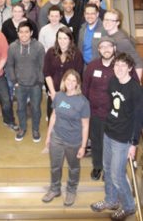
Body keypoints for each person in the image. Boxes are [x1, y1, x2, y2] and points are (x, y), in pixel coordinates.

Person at [90, 53, 142, 221]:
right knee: (107, 169)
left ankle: (128, 206)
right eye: (116, 65)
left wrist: (133, 143)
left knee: (117, 175)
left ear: (129, 68)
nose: (119, 69)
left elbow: (138, 117)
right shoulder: (112, 81)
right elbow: (114, 107)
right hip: (109, 132)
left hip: (123, 138)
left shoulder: (135, 89)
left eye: (122, 66)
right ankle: (111, 200)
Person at [42, 70, 90, 207]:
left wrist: (83, 146)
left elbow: (85, 126)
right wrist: (48, 137)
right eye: (68, 80)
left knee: (73, 168)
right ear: (64, 81)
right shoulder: (58, 96)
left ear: (78, 84)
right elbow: (53, 116)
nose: (70, 83)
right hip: (57, 137)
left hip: (73, 141)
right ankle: (55, 189)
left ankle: (71, 190)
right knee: (55, 166)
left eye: (73, 81)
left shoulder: (82, 102)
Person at [83, 37, 117, 181]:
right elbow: (85, 88)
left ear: (114, 48)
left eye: (109, 46)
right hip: (95, 113)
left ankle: (109, 169)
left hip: (114, 114)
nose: (106, 49)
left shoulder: (121, 65)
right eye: (102, 47)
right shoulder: (92, 66)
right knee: (96, 141)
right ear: (98, 50)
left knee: (112, 143)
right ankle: (97, 166)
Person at [7, 21, 45, 142]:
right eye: (21, 32)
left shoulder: (38, 47)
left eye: (26, 32)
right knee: (20, 108)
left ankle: (35, 129)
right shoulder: (12, 47)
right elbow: (9, 66)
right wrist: (14, 80)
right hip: (20, 85)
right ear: (17, 33)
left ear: (31, 33)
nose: (24, 34)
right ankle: (22, 128)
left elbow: (42, 66)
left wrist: (40, 82)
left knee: (36, 108)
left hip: (35, 85)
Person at [43, 27, 84, 118]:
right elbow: (47, 73)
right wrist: (53, 92)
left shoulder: (77, 54)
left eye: (65, 38)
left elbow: (77, 76)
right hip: (54, 92)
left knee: (66, 119)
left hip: (70, 94)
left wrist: (68, 94)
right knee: (52, 118)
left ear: (70, 39)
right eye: (60, 38)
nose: (62, 41)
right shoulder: (51, 52)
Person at [103, 9, 143, 79]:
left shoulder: (121, 40)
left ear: (117, 23)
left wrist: (136, 82)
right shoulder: (107, 35)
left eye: (111, 20)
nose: (107, 22)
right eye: (106, 19)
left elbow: (138, 62)